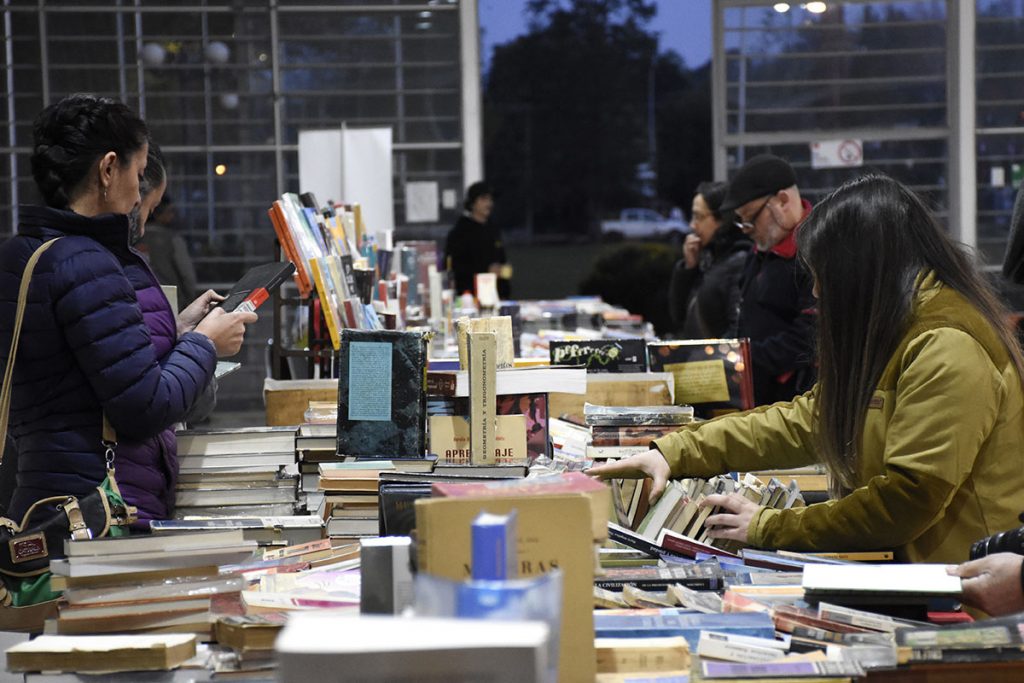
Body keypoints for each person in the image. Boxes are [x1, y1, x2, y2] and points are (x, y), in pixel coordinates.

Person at [589, 174, 1024, 565]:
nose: (816, 291)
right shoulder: (897, 328)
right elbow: (806, 420)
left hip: (965, 601)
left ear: (860, 272)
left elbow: (906, 501)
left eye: (822, 275)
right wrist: (674, 451)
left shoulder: (945, 345)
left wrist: (769, 526)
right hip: (915, 578)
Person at [0, 94, 256, 526]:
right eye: (138, 175)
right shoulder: (90, 263)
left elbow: (79, 374)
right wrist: (204, 343)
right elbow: (145, 406)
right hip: (100, 510)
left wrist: (175, 331)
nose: (140, 194)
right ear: (108, 169)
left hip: (42, 493)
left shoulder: (22, 255)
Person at [720, 154, 816, 405]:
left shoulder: (816, 251)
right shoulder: (762, 250)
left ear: (782, 200)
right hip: (752, 398)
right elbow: (743, 316)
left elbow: (810, 338)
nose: (747, 229)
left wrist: (740, 359)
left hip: (794, 402)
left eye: (750, 218)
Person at [668, 181, 751, 338]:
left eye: (699, 217)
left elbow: (737, 331)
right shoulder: (710, 257)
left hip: (712, 361)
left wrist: (708, 359)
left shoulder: (738, 261)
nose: (693, 225)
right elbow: (679, 316)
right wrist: (688, 268)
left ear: (722, 220)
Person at [443, 181, 510, 298]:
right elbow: (454, 267)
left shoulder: (493, 230)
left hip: (496, 295)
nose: (489, 204)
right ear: (472, 203)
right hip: (469, 297)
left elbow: (501, 260)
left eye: (490, 199)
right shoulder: (460, 232)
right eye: (484, 199)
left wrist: (503, 271)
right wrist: (486, 270)